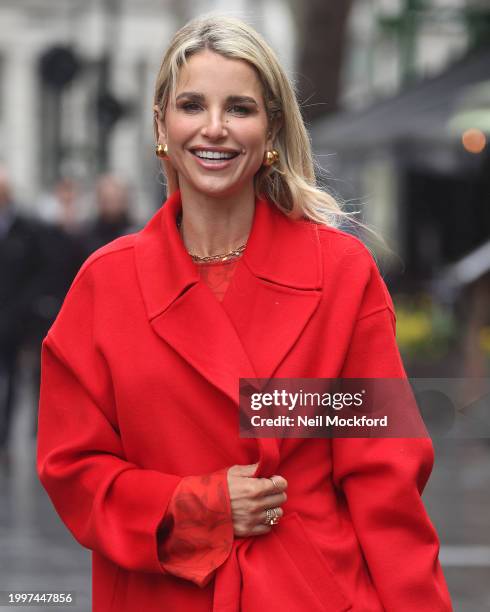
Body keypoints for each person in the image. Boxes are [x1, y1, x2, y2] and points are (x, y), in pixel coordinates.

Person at [37, 15, 452, 612]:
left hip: (312, 593)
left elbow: (384, 478)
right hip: (163, 595)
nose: (214, 129)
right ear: (161, 123)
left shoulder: (340, 274)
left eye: (239, 108)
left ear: (272, 129)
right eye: (191, 105)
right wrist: (199, 505)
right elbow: (71, 469)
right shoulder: (105, 284)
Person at [0, 167, 43, 467]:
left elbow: (34, 274)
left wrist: (22, 312)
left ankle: (5, 441)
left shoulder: (27, 230)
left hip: (13, 321)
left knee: (14, 383)